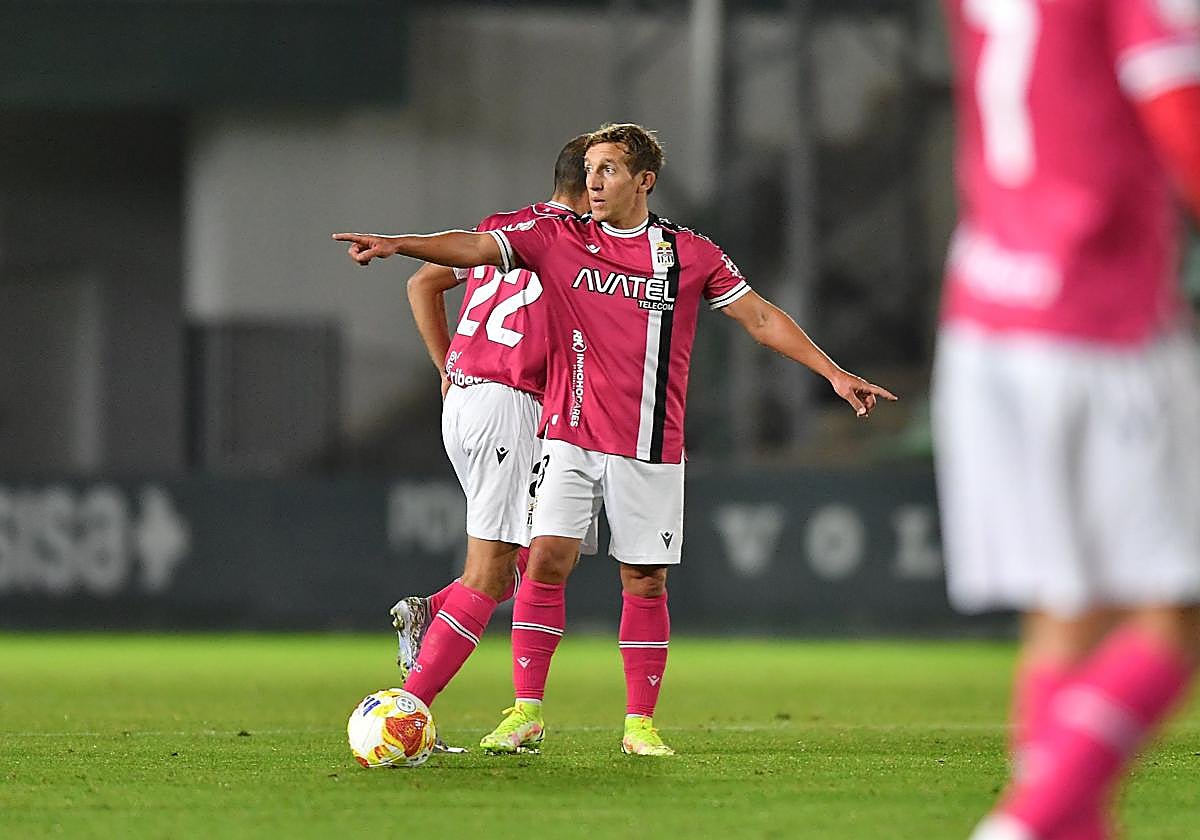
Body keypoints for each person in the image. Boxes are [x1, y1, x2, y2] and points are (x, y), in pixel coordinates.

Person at [334, 122, 895, 757]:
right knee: (543, 560)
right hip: (567, 433)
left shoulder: (689, 254)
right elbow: (472, 247)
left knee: (645, 579)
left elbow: (761, 316)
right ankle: (523, 712)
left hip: (650, 442)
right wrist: (398, 243)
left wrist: (833, 373)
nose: (594, 182)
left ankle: (639, 725)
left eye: (608, 170)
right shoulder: (560, 238)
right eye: (590, 170)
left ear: (643, 181)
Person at [934, 2, 1200, 838]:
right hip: (1100, 317)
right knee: (1174, 615)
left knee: (1068, 611)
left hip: (985, 310)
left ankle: (1059, 823)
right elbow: (1179, 115)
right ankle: (1021, 825)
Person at [370, 134, 593, 735]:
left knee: (541, 554)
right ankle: (402, 714)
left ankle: (430, 612)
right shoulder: (577, 241)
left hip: (469, 399)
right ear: (591, 184)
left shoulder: (504, 228)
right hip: (509, 405)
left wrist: (445, 365)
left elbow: (421, 284)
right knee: (492, 573)